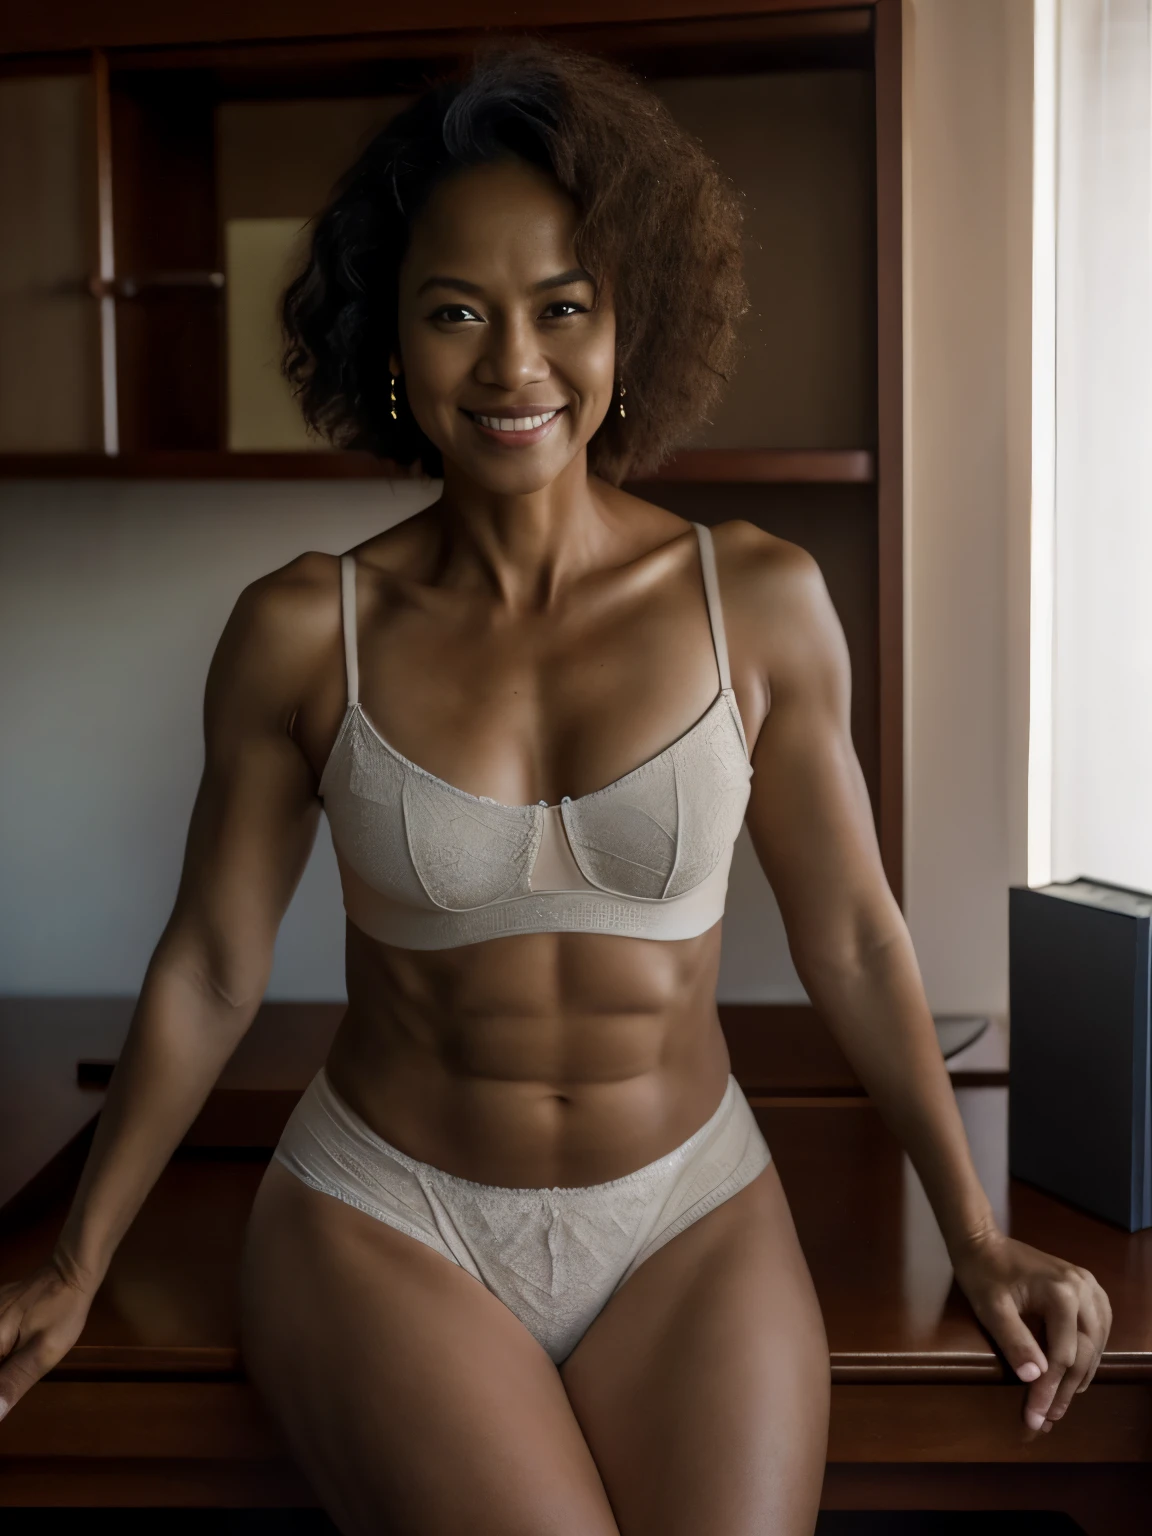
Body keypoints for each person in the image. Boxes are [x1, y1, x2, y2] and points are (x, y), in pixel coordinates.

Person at [0, 40, 1112, 1536]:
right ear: (388, 340)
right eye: (456, 312)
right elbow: (211, 964)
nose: (513, 366)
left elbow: (854, 938)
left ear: (624, 326)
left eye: (562, 310)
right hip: (388, 1217)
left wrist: (976, 1236)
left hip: (688, 1211)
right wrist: (76, 1261)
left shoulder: (759, 603)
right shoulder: (298, 632)